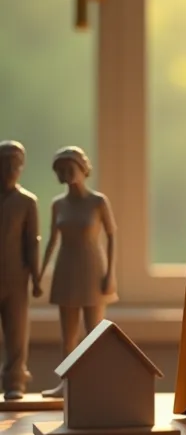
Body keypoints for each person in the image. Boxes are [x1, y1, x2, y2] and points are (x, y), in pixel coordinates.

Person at [41, 146, 117, 398]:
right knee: (68, 335)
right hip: (66, 269)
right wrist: (40, 273)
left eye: (69, 168)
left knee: (94, 332)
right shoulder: (58, 204)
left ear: (83, 169)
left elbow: (111, 235)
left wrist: (110, 275)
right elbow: (52, 239)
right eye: (60, 171)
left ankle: (94, 382)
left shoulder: (98, 202)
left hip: (93, 270)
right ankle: (67, 383)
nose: (65, 174)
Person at [0, 140, 42, 401]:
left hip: (17, 278)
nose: (9, 169)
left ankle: (15, 380)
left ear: (22, 167)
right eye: (4, 164)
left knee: (17, 332)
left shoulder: (27, 202)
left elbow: (32, 242)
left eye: (14, 164)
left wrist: (36, 278)